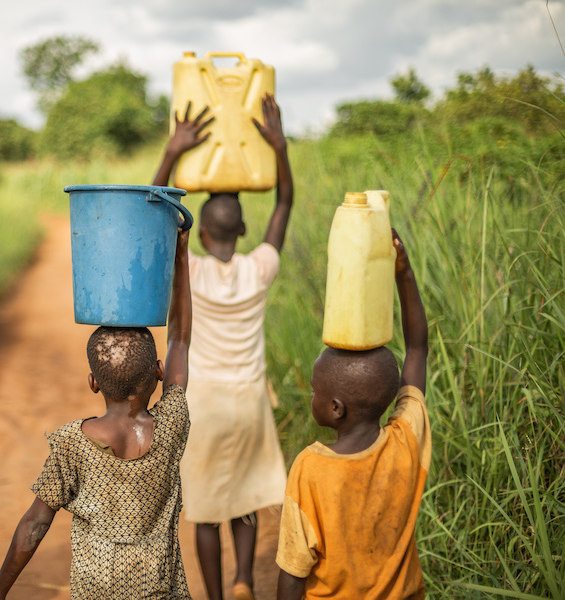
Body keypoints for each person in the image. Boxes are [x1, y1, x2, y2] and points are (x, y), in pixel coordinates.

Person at [0, 228, 193, 599]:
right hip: (160, 589)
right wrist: (180, 257)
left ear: (92, 382)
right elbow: (180, 339)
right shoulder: (172, 424)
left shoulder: (72, 445)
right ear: (158, 373)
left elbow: (35, 523)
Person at [152, 94, 294, 600]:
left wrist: (173, 150)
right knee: (247, 497)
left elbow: (155, 208)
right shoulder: (259, 270)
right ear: (243, 231)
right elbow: (283, 204)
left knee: (207, 510)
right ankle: (242, 581)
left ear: (202, 230)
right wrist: (278, 146)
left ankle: (217, 596)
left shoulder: (189, 269)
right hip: (251, 398)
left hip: (204, 402)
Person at [275, 231, 429, 599]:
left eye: (315, 390)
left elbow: (294, 572)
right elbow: (418, 350)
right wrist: (403, 273)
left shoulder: (310, 470)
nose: (312, 395)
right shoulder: (407, 439)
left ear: (335, 409)